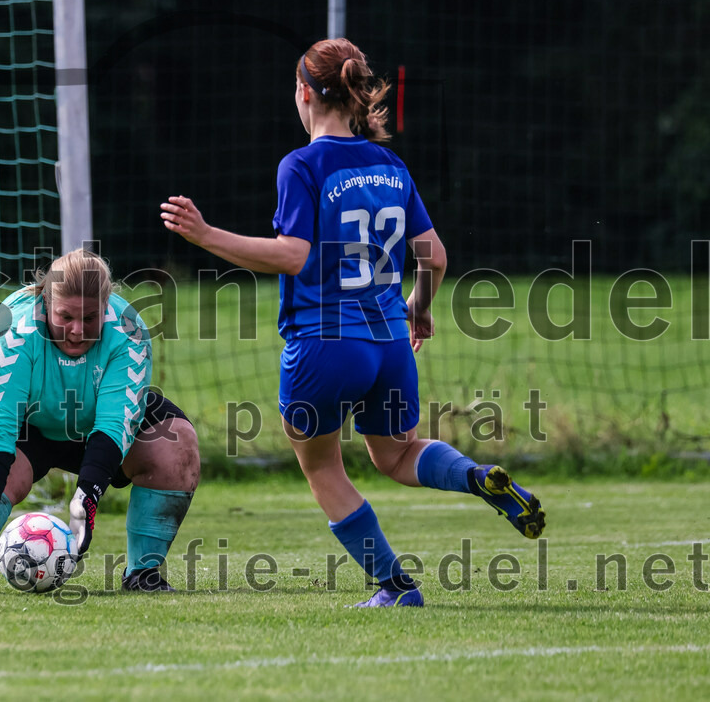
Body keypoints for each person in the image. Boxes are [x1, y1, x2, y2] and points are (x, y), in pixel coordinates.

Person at [161, 38, 545, 608]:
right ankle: (472, 475)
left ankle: (395, 587)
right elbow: (435, 257)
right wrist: (419, 306)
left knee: (322, 469)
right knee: (396, 454)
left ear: (303, 93)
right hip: (389, 338)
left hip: (325, 343)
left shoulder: (301, 165)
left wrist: (205, 236)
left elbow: (292, 255)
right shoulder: (390, 165)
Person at [0, 248, 200, 597]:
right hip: (19, 413)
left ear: (107, 306)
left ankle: (143, 573)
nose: (76, 330)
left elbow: (116, 423)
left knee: (177, 442)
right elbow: (0, 425)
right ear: (46, 304)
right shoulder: (15, 331)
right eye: (65, 316)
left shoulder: (128, 332)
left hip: (88, 415)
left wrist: (87, 496)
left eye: (90, 318)